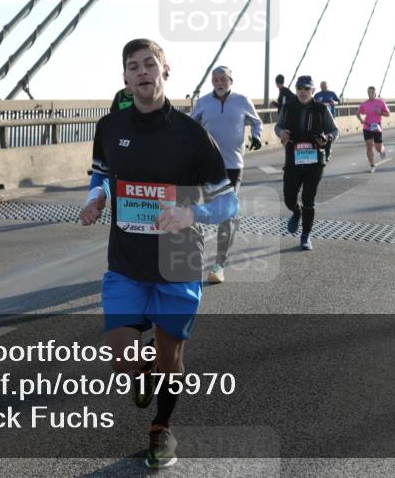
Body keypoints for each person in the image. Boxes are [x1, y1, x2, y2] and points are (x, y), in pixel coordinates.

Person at [80, 39, 239, 469]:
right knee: (123, 362)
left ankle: (161, 429)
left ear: (165, 71)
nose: (143, 72)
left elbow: (230, 203)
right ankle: (143, 366)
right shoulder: (110, 128)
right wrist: (97, 199)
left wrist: (192, 213)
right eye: (134, 67)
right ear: (126, 79)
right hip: (127, 263)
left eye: (150, 64)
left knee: (172, 361)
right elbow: (101, 175)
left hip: (178, 262)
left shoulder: (192, 135)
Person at [190, 65, 262, 284]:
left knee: (227, 216)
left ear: (231, 80)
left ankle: (219, 264)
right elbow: (190, 125)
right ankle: (194, 253)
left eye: (223, 79)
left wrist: (256, 136)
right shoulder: (203, 102)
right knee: (208, 212)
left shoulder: (242, 100)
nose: (219, 83)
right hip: (207, 166)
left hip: (232, 165)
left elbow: (256, 121)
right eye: (215, 79)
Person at [275, 75, 338, 250]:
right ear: (296, 90)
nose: (302, 91)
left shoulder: (320, 109)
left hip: (315, 159)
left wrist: (327, 137)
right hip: (293, 158)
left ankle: (305, 236)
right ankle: (296, 211)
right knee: (289, 198)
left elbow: (334, 130)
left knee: (309, 198)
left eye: (306, 88)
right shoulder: (288, 107)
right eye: (299, 88)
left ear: (313, 91)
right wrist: (281, 133)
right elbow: (277, 126)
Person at [357, 85, 390, 173]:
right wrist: (361, 120)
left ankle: (382, 150)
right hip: (367, 127)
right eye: (368, 93)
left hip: (377, 127)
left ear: (375, 93)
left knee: (378, 148)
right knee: (369, 147)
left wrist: (381, 113)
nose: (370, 94)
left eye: (372, 92)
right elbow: (358, 113)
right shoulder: (365, 103)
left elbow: (388, 114)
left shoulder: (380, 102)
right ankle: (372, 165)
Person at [313, 80, 340, 161]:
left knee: (330, 134)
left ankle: (327, 150)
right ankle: (324, 149)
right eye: (321, 86)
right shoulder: (317, 95)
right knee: (322, 135)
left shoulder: (332, 93)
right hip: (319, 118)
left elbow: (339, 101)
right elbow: (311, 103)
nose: (323, 87)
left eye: (324, 85)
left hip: (330, 116)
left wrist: (334, 103)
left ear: (327, 86)